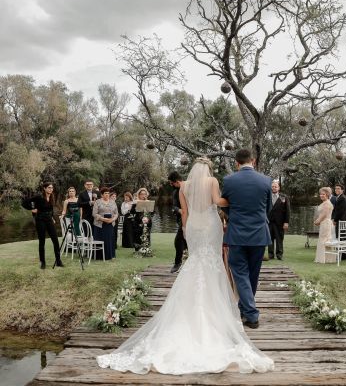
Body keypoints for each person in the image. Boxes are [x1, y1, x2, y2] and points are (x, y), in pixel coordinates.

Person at [97, 156, 274, 374]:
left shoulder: (184, 187)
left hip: (193, 227)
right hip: (211, 225)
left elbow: (185, 213)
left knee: (196, 262)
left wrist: (186, 231)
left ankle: (193, 309)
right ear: (207, 169)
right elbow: (219, 202)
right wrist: (238, 201)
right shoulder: (212, 182)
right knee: (215, 264)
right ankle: (227, 311)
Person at [221, 148, 272, 329]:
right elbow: (268, 208)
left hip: (237, 233)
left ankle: (250, 314)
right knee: (252, 274)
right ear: (253, 161)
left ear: (236, 163)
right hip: (259, 233)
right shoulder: (266, 181)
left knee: (240, 273)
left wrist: (233, 216)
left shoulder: (228, 180)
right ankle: (246, 309)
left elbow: (225, 206)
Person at [21, 182, 64, 269]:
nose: (51, 189)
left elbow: (51, 209)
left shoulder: (52, 197)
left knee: (55, 240)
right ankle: (43, 262)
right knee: (42, 242)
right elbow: (24, 203)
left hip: (49, 220)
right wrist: (32, 208)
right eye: (49, 187)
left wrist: (52, 217)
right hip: (40, 220)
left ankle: (58, 261)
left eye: (52, 188)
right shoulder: (38, 197)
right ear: (44, 188)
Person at [168, 171, 188, 273]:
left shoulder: (188, 187)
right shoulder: (175, 192)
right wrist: (178, 210)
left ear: (176, 181)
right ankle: (178, 263)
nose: (171, 185)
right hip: (182, 218)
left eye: (171, 183)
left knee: (181, 240)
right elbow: (174, 206)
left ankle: (181, 263)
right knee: (179, 241)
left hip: (192, 218)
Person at [92, 187, 119, 260]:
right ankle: (99, 256)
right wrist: (103, 219)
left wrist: (112, 219)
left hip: (110, 224)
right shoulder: (97, 202)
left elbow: (116, 213)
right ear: (102, 195)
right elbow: (94, 214)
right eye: (105, 193)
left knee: (109, 240)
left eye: (108, 193)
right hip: (99, 225)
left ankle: (110, 256)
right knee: (100, 240)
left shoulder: (113, 202)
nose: (107, 195)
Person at [266, 180, 290, 261]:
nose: (274, 188)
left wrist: (286, 222)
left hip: (280, 222)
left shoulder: (284, 197)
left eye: (275, 186)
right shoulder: (267, 197)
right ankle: (270, 254)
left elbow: (287, 210)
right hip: (269, 221)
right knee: (270, 238)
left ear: (279, 188)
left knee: (279, 238)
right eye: (272, 186)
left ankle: (279, 255)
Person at [314, 187, 335, 263]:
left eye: (323, 194)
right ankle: (325, 258)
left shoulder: (327, 203)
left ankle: (323, 259)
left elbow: (324, 215)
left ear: (327, 195)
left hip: (325, 223)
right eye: (320, 194)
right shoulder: (325, 203)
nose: (321, 195)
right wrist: (318, 220)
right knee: (323, 239)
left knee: (324, 240)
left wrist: (317, 221)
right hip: (324, 223)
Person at [131, 188, 154, 252]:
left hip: (147, 221)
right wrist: (135, 206)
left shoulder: (149, 202)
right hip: (138, 222)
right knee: (138, 235)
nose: (143, 195)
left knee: (147, 234)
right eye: (142, 194)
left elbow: (152, 212)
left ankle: (146, 249)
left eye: (145, 194)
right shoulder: (135, 202)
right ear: (139, 195)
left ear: (147, 195)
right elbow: (132, 212)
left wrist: (148, 218)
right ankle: (138, 250)